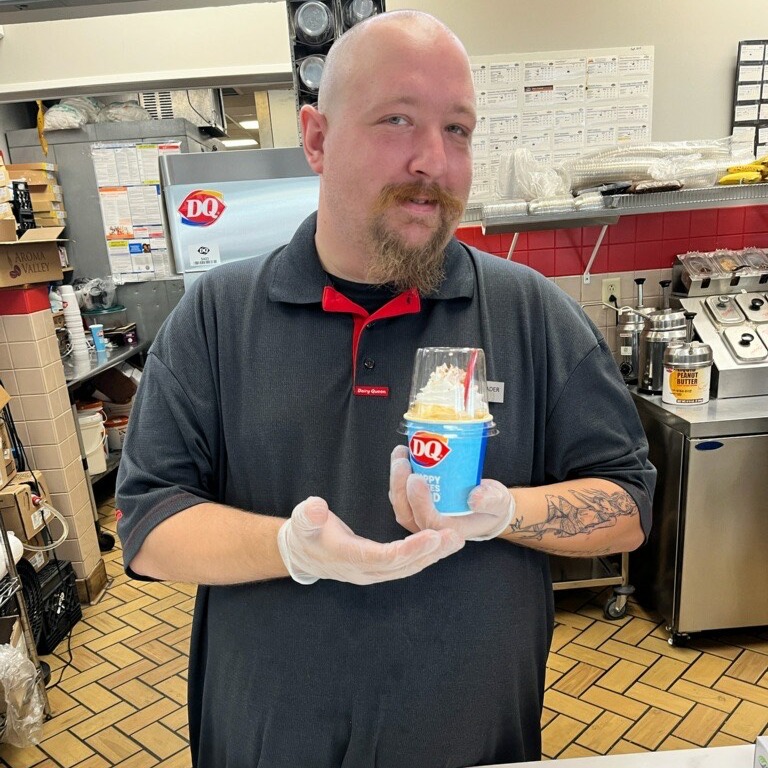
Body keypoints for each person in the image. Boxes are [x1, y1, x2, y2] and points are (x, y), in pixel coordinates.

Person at [116, 10, 655, 768]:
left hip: (473, 743)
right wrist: (291, 548)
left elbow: (628, 507)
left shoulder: (531, 314)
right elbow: (148, 526)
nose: (433, 159)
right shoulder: (216, 317)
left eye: (457, 129)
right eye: (397, 119)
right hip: (266, 743)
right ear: (317, 139)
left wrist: (505, 511)